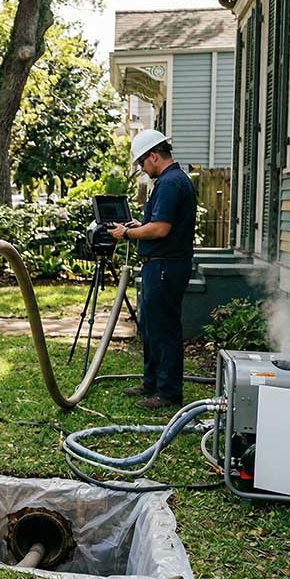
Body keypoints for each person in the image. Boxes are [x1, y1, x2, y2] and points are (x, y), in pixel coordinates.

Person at [109, 129, 197, 410]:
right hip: (158, 267)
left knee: (164, 329)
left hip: (165, 268)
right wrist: (138, 226)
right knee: (150, 326)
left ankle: (168, 392)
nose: (143, 169)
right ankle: (151, 383)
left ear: (154, 156)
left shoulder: (171, 183)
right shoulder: (169, 182)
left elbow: (161, 229)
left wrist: (126, 234)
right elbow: (157, 224)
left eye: (142, 163)